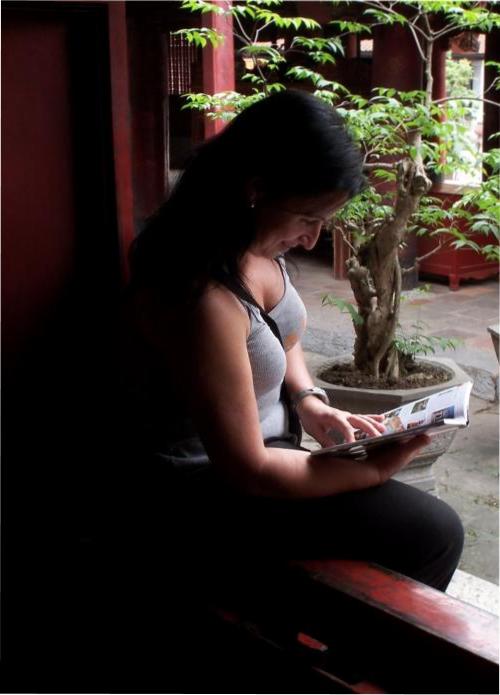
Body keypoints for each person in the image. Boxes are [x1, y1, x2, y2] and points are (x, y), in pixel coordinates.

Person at [119, 90, 463, 600]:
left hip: (269, 454)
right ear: (256, 190)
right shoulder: (201, 295)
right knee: (434, 532)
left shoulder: (253, 242)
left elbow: (284, 334)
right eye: (307, 218)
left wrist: (309, 400)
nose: (312, 239)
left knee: (418, 528)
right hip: (204, 489)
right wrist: (373, 469)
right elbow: (249, 470)